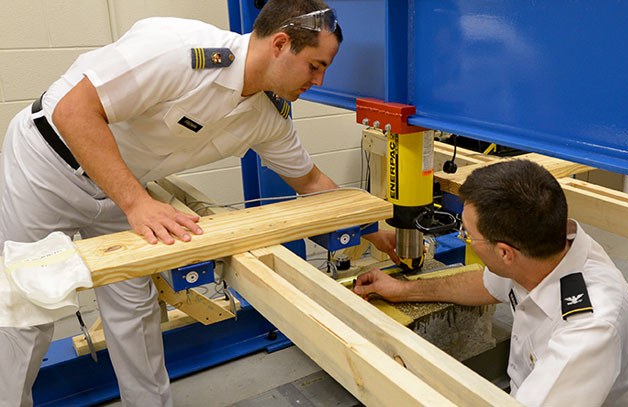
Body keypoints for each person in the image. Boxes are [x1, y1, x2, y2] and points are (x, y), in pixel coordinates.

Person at [0, 1, 397, 406]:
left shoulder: (265, 115)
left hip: (121, 184)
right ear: (280, 44)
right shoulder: (180, 52)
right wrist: (138, 204)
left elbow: (311, 181)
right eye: (315, 66)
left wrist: (373, 230)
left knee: (134, 313)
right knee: (27, 313)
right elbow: (72, 111)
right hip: (46, 166)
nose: (320, 78)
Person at [353, 159, 628, 407]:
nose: (463, 238)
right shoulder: (545, 251)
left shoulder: (588, 331)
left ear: (505, 252)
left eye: (467, 235)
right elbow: (485, 284)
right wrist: (404, 290)